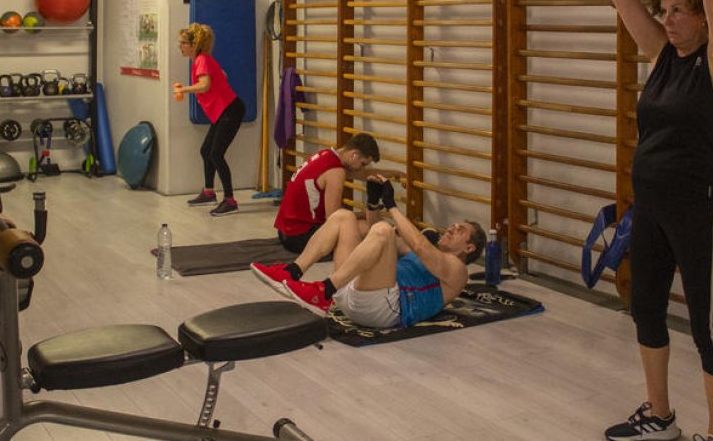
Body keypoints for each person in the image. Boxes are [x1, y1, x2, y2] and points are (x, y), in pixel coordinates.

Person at [591, 0, 713, 441]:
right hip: (653, 207)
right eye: (666, 11)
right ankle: (660, 415)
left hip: (699, 206)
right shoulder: (660, 57)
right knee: (647, 309)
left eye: (681, 11)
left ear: (703, 20)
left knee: (707, 324)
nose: (671, 19)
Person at [252, 178, 485, 328]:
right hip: (358, 293)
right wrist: (373, 204)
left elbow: (419, 246)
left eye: (460, 230)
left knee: (384, 229)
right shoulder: (427, 251)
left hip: (386, 309)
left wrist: (392, 206)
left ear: (469, 248)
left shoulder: (458, 271)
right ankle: (293, 271)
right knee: (344, 217)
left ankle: (323, 290)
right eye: (453, 226)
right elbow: (378, 235)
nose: (452, 228)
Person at [173, 23, 246, 216]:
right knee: (206, 150)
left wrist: (184, 89)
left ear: (193, 45)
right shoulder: (201, 60)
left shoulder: (201, 59)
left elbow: (204, 85)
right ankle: (208, 192)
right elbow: (222, 74)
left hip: (231, 111)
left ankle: (230, 200)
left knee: (216, 154)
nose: (180, 46)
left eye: (183, 43)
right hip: (224, 112)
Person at [273, 132, 382, 253]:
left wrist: (399, 175)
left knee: (358, 223)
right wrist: (361, 215)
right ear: (354, 155)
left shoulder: (326, 155)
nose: (362, 168)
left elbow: (366, 175)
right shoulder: (336, 172)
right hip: (298, 237)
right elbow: (334, 218)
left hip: (285, 231)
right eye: (363, 164)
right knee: (367, 228)